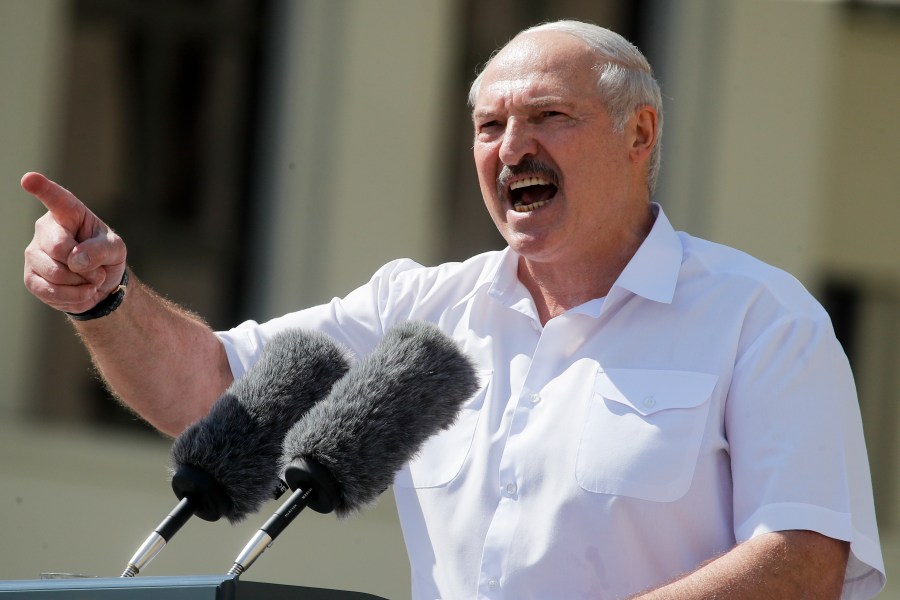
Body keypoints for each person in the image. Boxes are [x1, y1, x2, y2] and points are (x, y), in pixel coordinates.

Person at [21, 19, 885, 600]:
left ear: (640, 134)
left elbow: (802, 560)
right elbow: (211, 394)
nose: (513, 149)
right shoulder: (419, 310)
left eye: (550, 116)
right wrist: (107, 300)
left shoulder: (763, 318)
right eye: (488, 126)